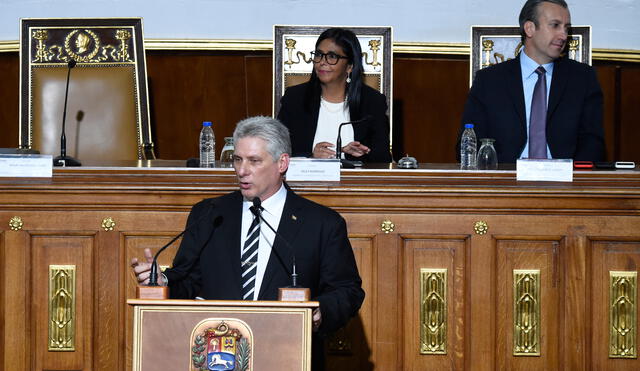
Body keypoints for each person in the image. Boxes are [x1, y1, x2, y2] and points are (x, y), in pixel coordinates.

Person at [131, 116, 364, 370]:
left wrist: (319, 313)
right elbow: (188, 280)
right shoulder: (209, 214)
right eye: (237, 159)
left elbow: (347, 290)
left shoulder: (321, 223)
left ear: (282, 163)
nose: (242, 170)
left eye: (254, 161)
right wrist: (163, 281)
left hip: (287, 354)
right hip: (217, 355)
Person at [459, 0, 605, 163]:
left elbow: (593, 143)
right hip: (505, 182)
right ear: (530, 28)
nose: (563, 35)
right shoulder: (489, 80)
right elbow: (469, 144)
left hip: (565, 183)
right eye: (555, 25)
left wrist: (572, 179)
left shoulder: (582, 78)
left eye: (566, 28)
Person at [277, 27, 392, 163]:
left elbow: (383, 158)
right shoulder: (295, 98)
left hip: (355, 182)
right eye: (319, 55)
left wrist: (353, 155)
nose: (322, 62)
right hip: (307, 182)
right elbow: (277, 152)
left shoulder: (372, 101)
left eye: (332, 56)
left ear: (350, 66)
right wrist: (311, 157)